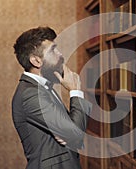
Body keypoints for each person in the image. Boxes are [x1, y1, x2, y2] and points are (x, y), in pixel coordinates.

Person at [12, 27, 91, 169]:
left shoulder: (44, 88)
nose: (60, 54)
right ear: (36, 61)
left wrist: (68, 130)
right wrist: (75, 91)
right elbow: (76, 135)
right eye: (53, 50)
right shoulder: (30, 94)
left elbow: (73, 129)